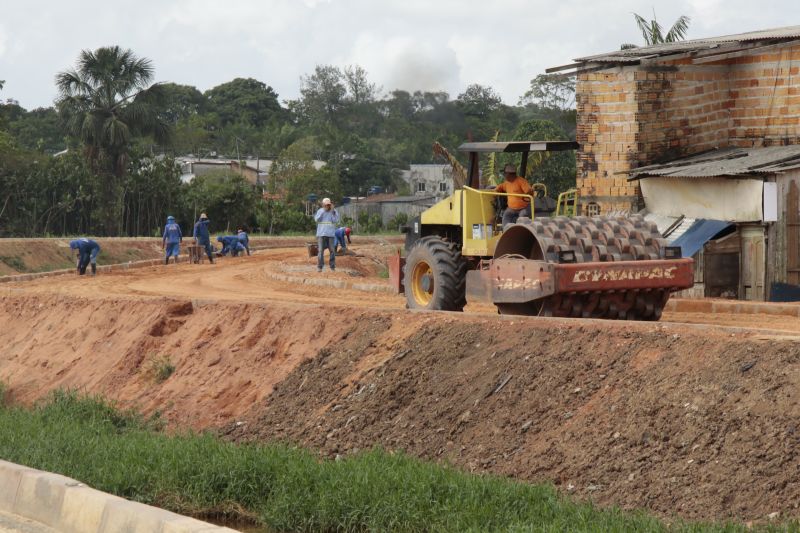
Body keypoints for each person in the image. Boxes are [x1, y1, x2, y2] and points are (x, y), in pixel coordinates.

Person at [314, 197, 339, 272]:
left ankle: (332, 267)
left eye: (329, 205)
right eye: (326, 205)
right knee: (321, 251)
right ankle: (320, 267)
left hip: (330, 234)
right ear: (323, 205)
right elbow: (317, 220)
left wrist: (333, 213)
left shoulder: (334, 212)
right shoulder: (320, 211)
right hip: (321, 234)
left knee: (332, 251)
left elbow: (336, 220)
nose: (328, 206)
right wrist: (322, 212)